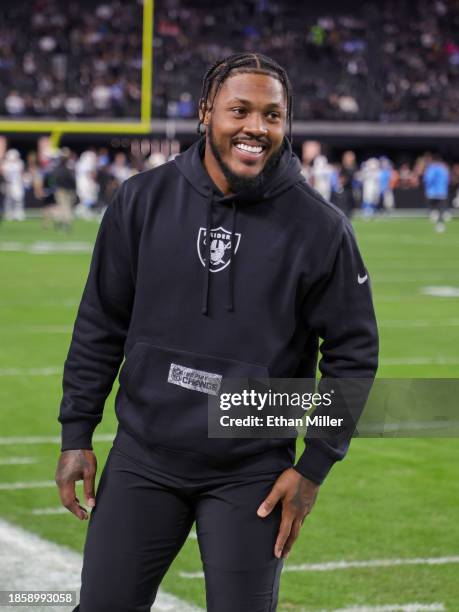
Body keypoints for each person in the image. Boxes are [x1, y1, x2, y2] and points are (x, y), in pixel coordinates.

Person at [55, 52, 378, 612]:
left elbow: (353, 354)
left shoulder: (321, 228)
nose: (256, 127)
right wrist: (76, 431)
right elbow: (100, 323)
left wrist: (314, 466)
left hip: (252, 472)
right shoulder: (141, 200)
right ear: (207, 111)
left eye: (273, 115)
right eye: (240, 110)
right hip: (143, 456)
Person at [423, 153, 450, 232]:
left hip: (432, 192)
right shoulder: (444, 169)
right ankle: (440, 225)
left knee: (433, 208)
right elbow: (447, 180)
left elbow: (428, 179)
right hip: (442, 192)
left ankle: (435, 217)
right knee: (441, 208)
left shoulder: (431, 168)